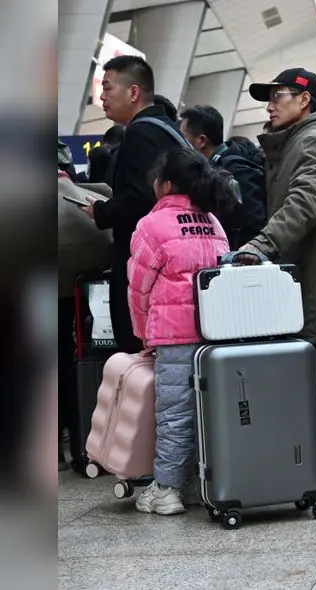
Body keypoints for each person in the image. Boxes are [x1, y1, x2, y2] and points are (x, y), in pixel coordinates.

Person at [245, 68, 316, 496]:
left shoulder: (310, 142)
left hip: (315, 283)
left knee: (309, 379)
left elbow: (306, 202)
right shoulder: (295, 143)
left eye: (279, 96)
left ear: (305, 100)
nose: (271, 104)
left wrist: (261, 244)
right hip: (313, 280)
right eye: (269, 97)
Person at [127, 149, 232, 515]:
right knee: (209, 412)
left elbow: (139, 289)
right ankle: (199, 482)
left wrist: (144, 335)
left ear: (166, 184)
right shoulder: (213, 223)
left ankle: (168, 489)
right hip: (214, 337)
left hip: (174, 338)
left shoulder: (151, 226)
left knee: (174, 415)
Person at [79, 55, 186, 354]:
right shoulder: (168, 129)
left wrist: (100, 211)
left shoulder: (140, 133)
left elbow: (142, 199)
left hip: (146, 264)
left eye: (108, 88)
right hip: (173, 262)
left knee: (139, 351)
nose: (101, 96)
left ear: (134, 92)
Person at [179, 104, 267, 249]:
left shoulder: (237, 171)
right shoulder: (210, 169)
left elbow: (252, 226)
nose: (180, 144)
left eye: (183, 138)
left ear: (201, 141)